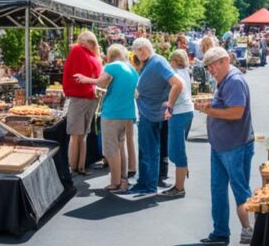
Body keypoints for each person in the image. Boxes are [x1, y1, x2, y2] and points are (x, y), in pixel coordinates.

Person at [193, 47, 255, 245]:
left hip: (234, 145)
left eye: (213, 65)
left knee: (240, 191)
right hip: (223, 145)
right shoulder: (227, 80)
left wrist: (209, 110)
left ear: (225, 61)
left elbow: (236, 112)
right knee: (219, 189)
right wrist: (210, 106)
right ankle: (221, 231)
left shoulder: (234, 81)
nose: (211, 69)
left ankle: (250, 231)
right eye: (208, 66)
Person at [75, 44, 137, 192]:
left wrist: (86, 79)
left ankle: (114, 182)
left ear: (109, 56)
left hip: (112, 114)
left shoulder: (112, 67)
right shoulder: (132, 70)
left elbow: (102, 81)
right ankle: (123, 180)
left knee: (111, 150)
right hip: (127, 113)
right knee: (121, 148)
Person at [132, 38, 183, 195]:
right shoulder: (151, 62)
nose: (139, 53)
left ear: (149, 48)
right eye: (137, 50)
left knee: (150, 150)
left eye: (142, 49)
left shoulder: (158, 62)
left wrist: (170, 105)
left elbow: (177, 83)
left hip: (152, 114)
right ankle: (143, 182)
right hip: (148, 113)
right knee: (145, 150)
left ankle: (149, 185)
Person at [63, 31, 103, 175]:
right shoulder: (95, 57)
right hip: (92, 97)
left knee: (75, 135)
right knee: (83, 135)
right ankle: (80, 167)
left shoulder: (77, 50)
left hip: (79, 97)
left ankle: (73, 168)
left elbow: (70, 74)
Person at [161, 50, 194, 198]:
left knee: (176, 150)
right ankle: (182, 174)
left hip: (179, 113)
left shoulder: (174, 73)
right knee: (178, 147)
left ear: (174, 61)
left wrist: (169, 105)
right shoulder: (185, 71)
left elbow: (177, 87)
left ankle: (179, 187)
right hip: (188, 111)